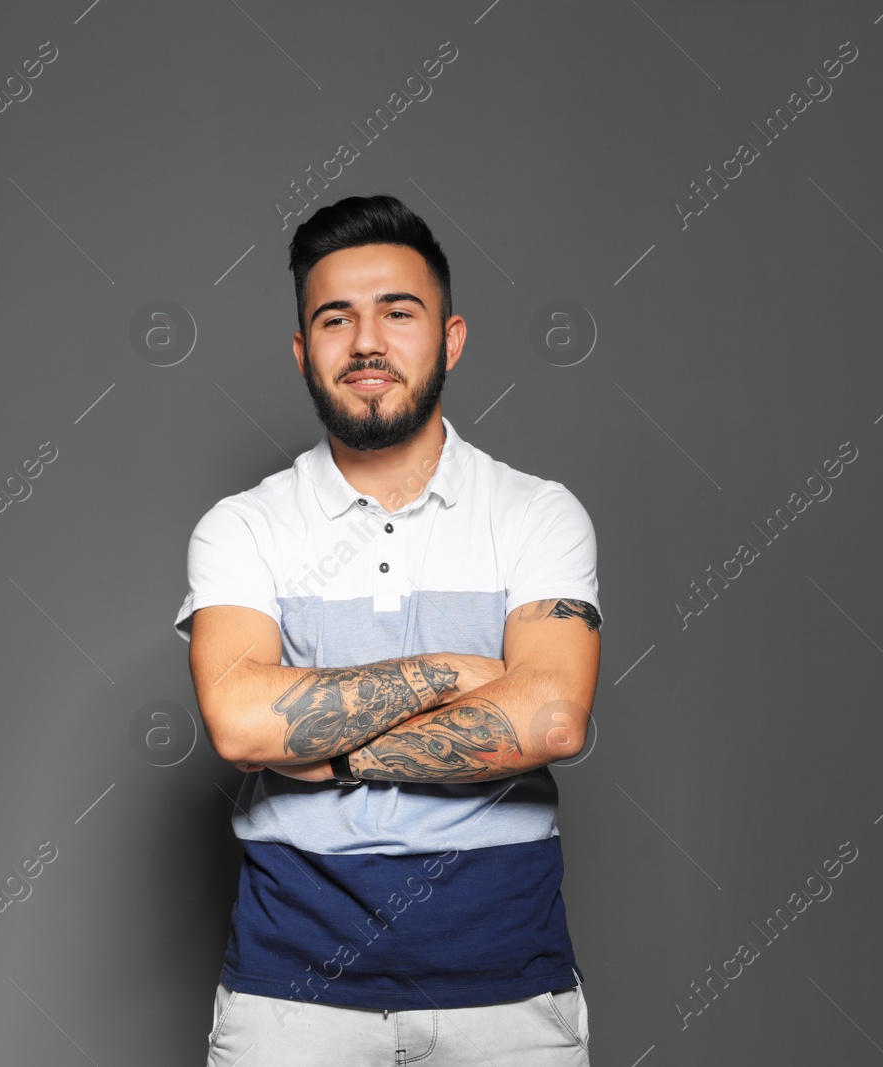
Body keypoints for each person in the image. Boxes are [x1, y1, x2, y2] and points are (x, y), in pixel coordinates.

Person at [175, 194, 601, 1065]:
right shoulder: (242, 527)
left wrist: (324, 753)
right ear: (303, 352)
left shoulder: (537, 514)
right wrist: (454, 668)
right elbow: (240, 722)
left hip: (510, 1001)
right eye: (336, 318)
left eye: (397, 312)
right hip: (286, 1005)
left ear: (449, 338)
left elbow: (550, 719)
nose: (366, 341)